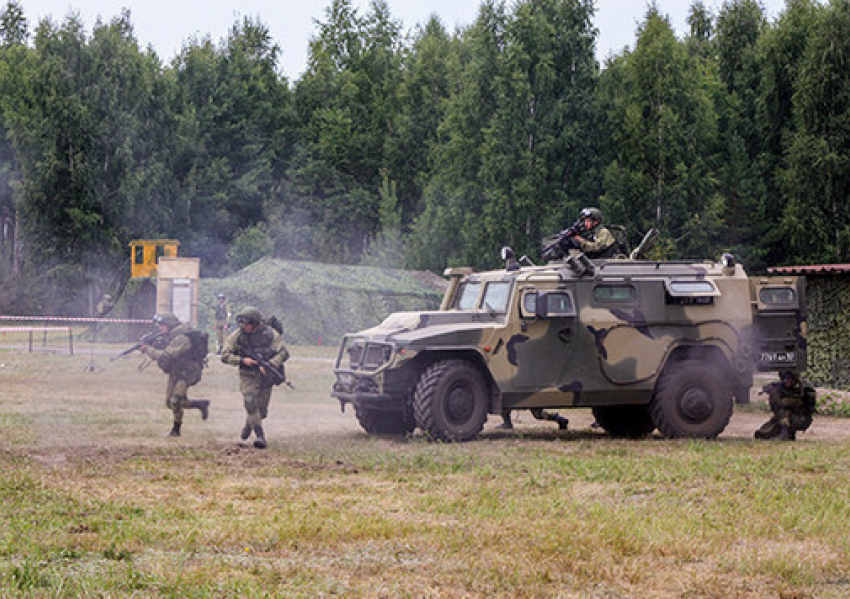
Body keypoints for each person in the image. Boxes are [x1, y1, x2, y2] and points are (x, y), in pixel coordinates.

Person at [221, 306, 290, 449]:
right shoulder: (238, 335)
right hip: (248, 374)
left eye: (248, 324)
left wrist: (270, 364)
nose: (244, 327)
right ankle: (260, 436)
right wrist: (242, 361)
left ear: (256, 323)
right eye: (243, 324)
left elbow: (284, 352)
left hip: (266, 375)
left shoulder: (270, 334)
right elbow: (225, 355)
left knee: (261, 411)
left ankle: (249, 424)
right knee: (250, 400)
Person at [141, 312, 209, 437]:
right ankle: (200, 404)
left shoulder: (181, 337)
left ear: (169, 324)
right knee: (169, 402)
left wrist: (148, 349)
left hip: (188, 371)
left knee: (175, 399)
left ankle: (176, 430)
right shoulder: (171, 334)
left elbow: (166, 355)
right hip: (176, 370)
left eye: (162, 325)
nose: (160, 328)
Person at [755, 371, 816, 441]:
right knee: (762, 434)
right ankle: (789, 434)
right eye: (784, 379)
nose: (785, 381)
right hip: (789, 417)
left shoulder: (802, 388)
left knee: (782, 411)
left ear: (794, 379)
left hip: (802, 419)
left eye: (788, 379)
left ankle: (785, 434)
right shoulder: (783, 387)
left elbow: (785, 403)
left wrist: (775, 395)